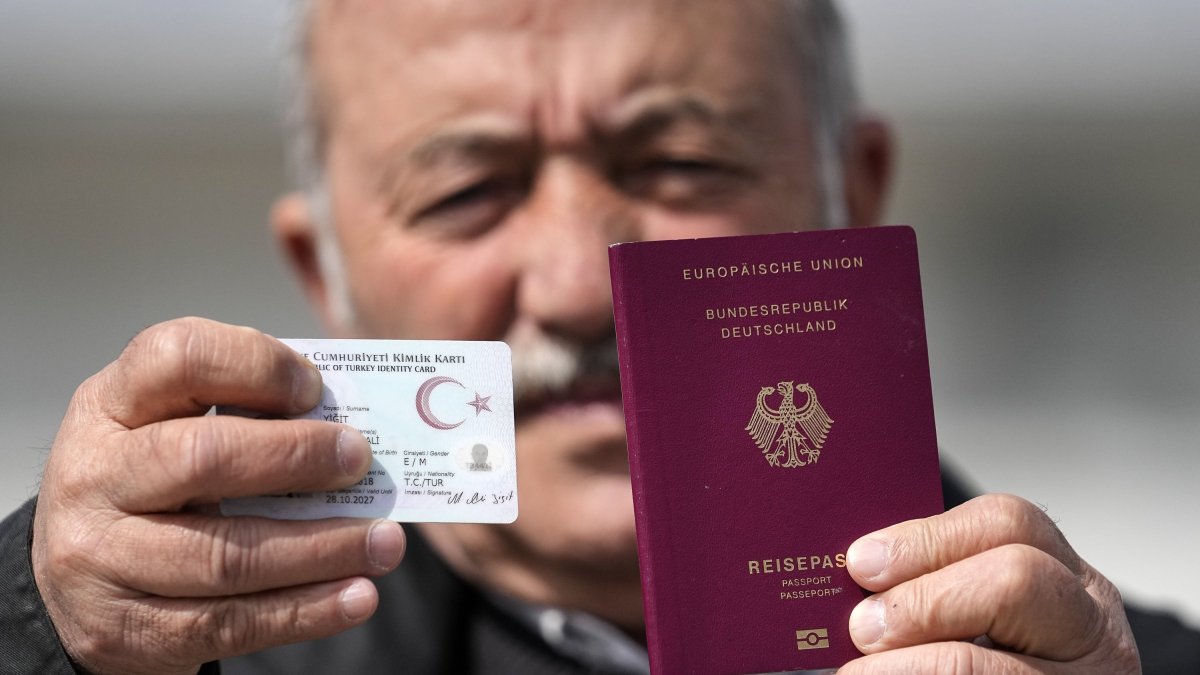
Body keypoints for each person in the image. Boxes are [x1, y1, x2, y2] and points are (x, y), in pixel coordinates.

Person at [0, 1, 1196, 673]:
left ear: (857, 196)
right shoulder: (158, 669)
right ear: (327, 273)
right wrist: (38, 622)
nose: (578, 286)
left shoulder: (1122, 663)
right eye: (467, 189)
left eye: (680, 164)